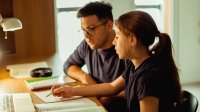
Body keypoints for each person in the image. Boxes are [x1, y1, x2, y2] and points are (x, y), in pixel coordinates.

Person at [54, 10, 182, 112]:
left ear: (132, 39)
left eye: (117, 36)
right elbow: (111, 87)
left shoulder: (147, 78)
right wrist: (70, 91)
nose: (114, 41)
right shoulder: (134, 66)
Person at [63, 1, 127, 112]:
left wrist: (108, 94)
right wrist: (86, 78)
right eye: (83, 29)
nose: (86, 35)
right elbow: (68, 65)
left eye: (91, 28)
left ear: (108, 25)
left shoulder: (125, 49)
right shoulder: (87, 44)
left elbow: (138, 86)